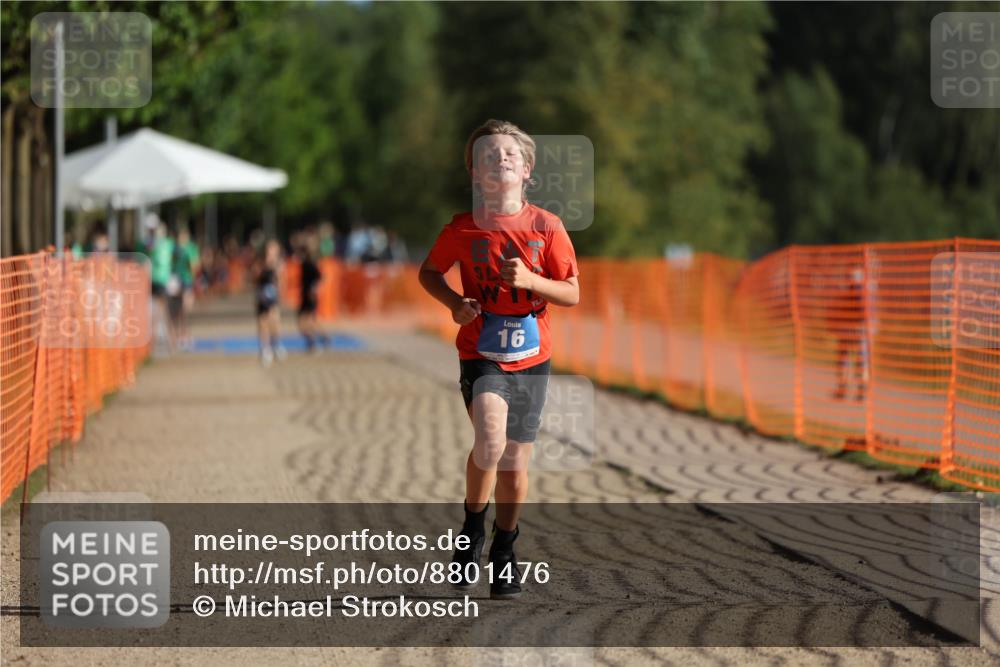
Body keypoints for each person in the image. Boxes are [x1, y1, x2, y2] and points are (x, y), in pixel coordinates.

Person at [418, 119, 580, 600]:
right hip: (481, 350)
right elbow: (429, 272)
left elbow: (571, 292)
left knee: (513, 463)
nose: (500, 159)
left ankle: (504, 547)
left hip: (532, 354)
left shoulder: (546, 227)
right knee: (489, 441)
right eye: (488, 154)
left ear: (527, 168)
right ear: (474, 172)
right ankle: (471, 530)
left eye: (509, 153)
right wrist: (453, 304)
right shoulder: (463, 228)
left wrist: (531, 282)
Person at [254, 239, 285, 367]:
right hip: (262, 297)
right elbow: (255, 279)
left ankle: (276, 344)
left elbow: (281, 281)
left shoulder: (279, 264)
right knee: (262, 322)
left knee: (274, 321)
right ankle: (265, 349)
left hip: (273, 297)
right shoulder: (260, 264)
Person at [296, 238, 330, 352]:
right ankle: (318, 339)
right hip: (305, 295)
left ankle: (315, 340)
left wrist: (314, 289)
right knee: (305, 321)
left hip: (309, 296)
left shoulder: (310, 264)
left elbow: (321, 277)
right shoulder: (305, 263)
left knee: (309, 320)